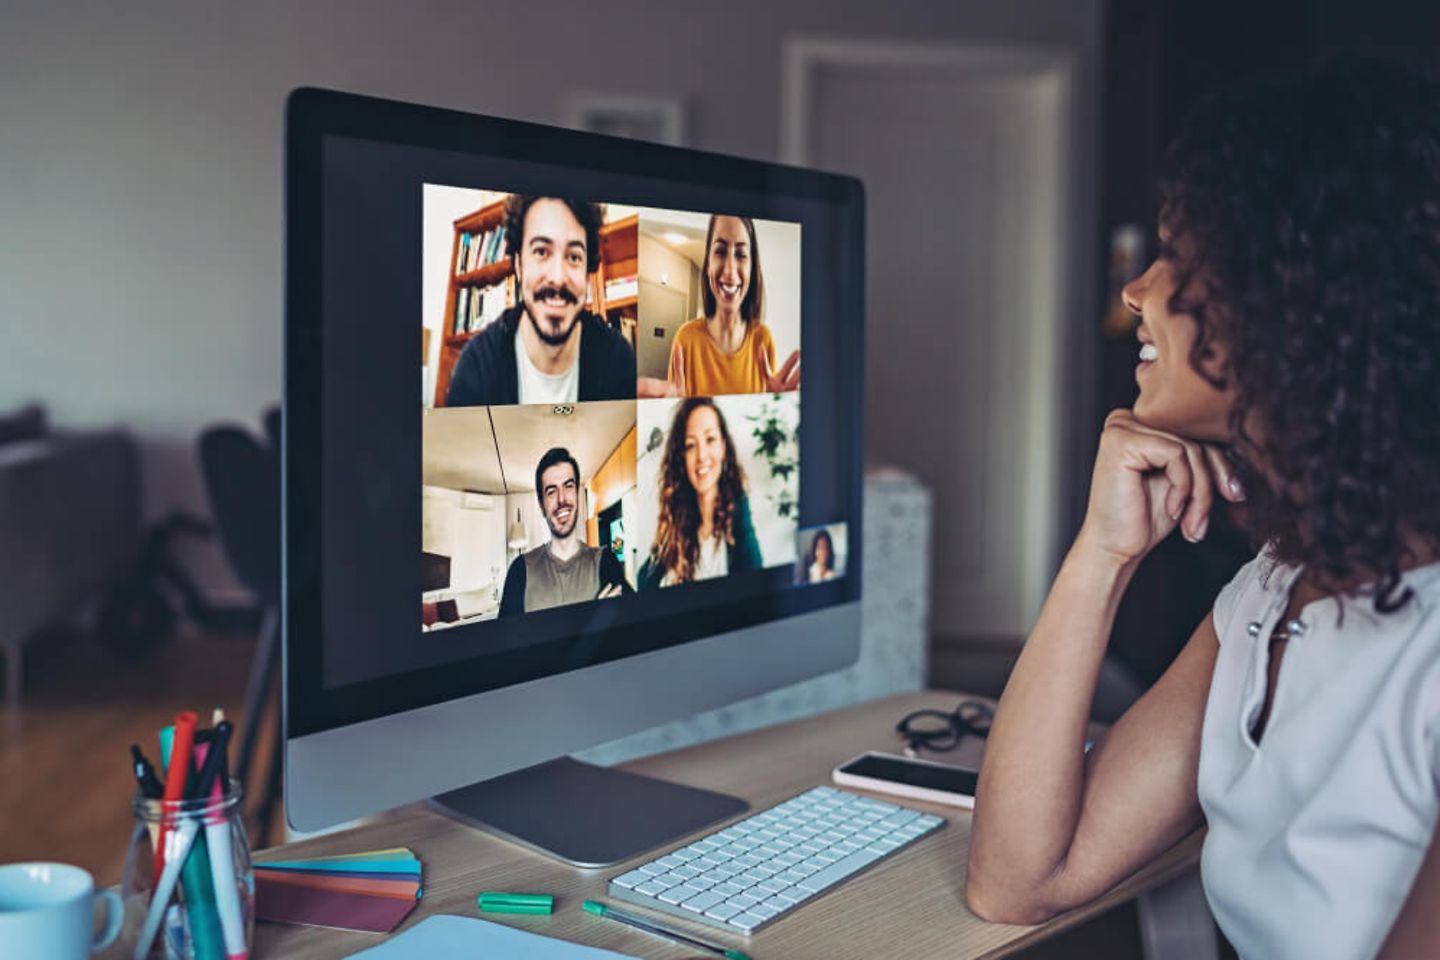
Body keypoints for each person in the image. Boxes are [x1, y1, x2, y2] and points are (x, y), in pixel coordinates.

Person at [965, 62, 1440, 960]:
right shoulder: (1273, 590)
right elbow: (1020, 879)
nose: (1135, 289)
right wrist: (1100, 555)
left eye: (1180, 256)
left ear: (1296, 302)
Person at [446, 195, 636, 406]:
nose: (557, 277)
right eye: (541, 251)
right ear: (519, 265)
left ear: (586, 272)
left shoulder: (618, 360)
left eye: (574, 257)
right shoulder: (477, 366)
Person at [637, 215, 800, 398]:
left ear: (752, 268)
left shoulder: (763, 338)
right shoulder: (685, 339)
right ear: (708, 265)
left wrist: (776, 403)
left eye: (741, 255)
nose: (730, 270)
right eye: (721, 251)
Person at [639, 398, 763, 588]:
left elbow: (756, 587)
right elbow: (644, 581)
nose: (701, 455)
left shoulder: (739, 517)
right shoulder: (675, 522)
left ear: (723, 447)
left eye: (710, 439)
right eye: (690, 445)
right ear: (682, 457)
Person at [499, 447, 631, 615]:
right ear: (541, 506)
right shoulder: (520, 570)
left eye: (568, 487)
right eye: (552, 491)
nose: (562, 499)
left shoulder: (605, 562)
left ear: (577, 494)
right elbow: (506, 640)